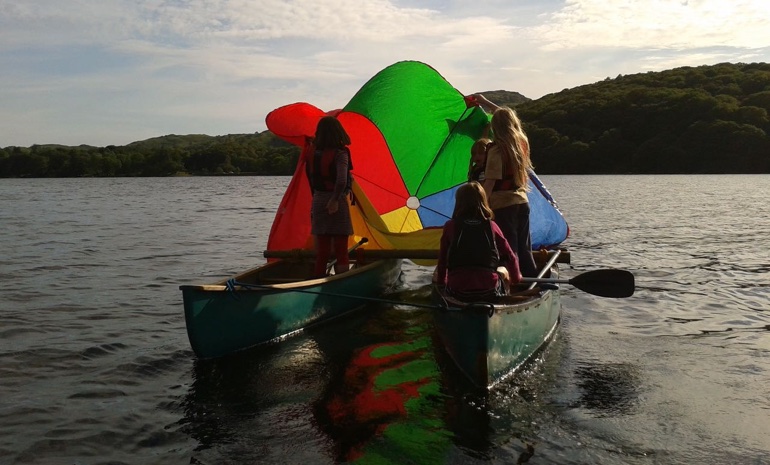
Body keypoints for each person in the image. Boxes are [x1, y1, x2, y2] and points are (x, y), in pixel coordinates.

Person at [469, 93, 538, 277]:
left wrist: (479, 206)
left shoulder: (496, 150)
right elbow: (504, 116)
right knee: (524, 249)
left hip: (503, 205)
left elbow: (490, 182)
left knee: (508, 250)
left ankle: (511, 285)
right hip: (522, 202)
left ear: (495, 127)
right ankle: (532, 281)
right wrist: (485, 102)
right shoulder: (521, 142)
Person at [435, 182, 522, 301]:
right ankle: (507, 298)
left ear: (458, 202)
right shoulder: (492, 226)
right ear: (483, 201)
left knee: (440, 277)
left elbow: (442, 260)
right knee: (503, 270)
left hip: (458, 290)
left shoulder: (450, 226)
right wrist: (516, 278)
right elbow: (510, 256)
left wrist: (441, 284)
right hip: (488, 290)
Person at [304, 116, 354, 278]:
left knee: (322, 250)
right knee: (341, 249)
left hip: (318, 200)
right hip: (336, 201)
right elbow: (342, 180)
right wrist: (334, 200)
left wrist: (317, 199)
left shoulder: (311, 151)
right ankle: (342, 283)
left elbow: (310, 178)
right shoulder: (340, 153)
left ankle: (318, 280)